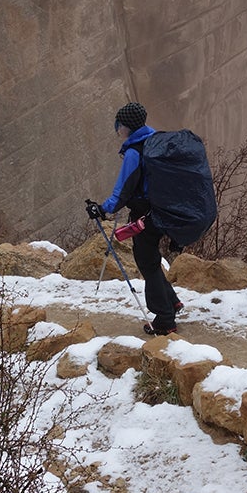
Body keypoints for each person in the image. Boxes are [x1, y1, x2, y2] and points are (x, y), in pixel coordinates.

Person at [92, 102, 182, 335]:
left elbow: (122, 191)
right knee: (151, 258)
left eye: (119, 125)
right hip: (164, 210)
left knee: (147, 263)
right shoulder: (155, 141)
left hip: (145, 214)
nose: (117, 130)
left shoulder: (134, 151)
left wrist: (102, 209)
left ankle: (164, 320)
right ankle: (172, 301)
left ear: (127, 126)